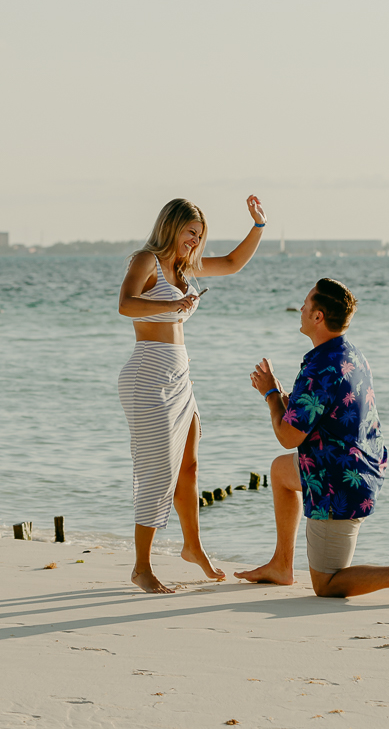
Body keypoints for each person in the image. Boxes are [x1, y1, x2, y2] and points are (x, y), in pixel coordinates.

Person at [234, 278, 389, 603]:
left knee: (327, 585)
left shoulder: (320, 368)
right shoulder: (348, 353)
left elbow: (288, 435)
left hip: (339, 483)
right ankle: (282, 565)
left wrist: (269, 394)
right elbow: (321, 410)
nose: (301, 308)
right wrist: (281, 393)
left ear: (318, 316)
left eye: (306, 303)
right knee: (281, 472)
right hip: (356, 466)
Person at [117, 195, 267, 594]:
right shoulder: (146, 260)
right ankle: (142, 567)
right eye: (189, 233)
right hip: (148, 374)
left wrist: (259, 227)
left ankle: (192, 547)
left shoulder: (185, 267)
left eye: (199, 236)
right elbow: (125, 305)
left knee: (189, 467)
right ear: (171, 227)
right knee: (157, 471)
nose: (193, 242)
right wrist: (172, 305)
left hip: (179, 374)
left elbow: (233, 264)